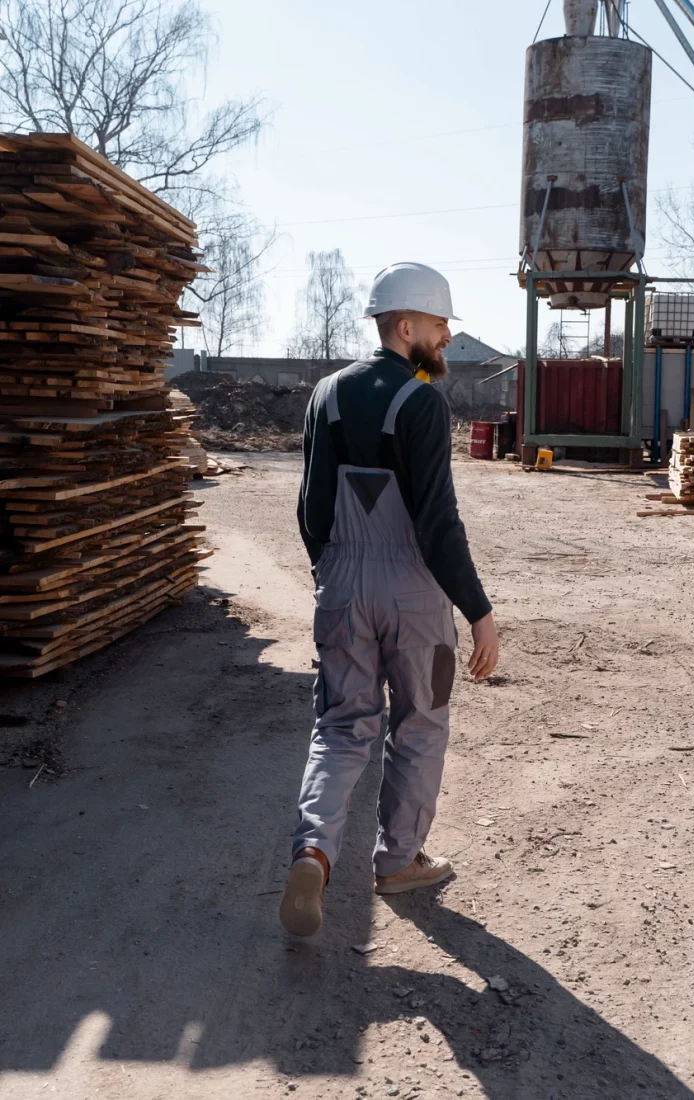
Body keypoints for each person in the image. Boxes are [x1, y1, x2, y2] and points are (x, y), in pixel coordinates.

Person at [280, 262, 500, 937]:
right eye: (439, 325)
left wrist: (336, 575)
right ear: (405, 326)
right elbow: (437, 525)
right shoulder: (424, 402)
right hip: (413, 597)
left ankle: (314, 849)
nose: (447, 337)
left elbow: (312, 510)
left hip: (342, 586)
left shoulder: (326, 395)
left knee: (342, 726)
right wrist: (478, 610)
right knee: (420, 724)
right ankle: (398, 861)